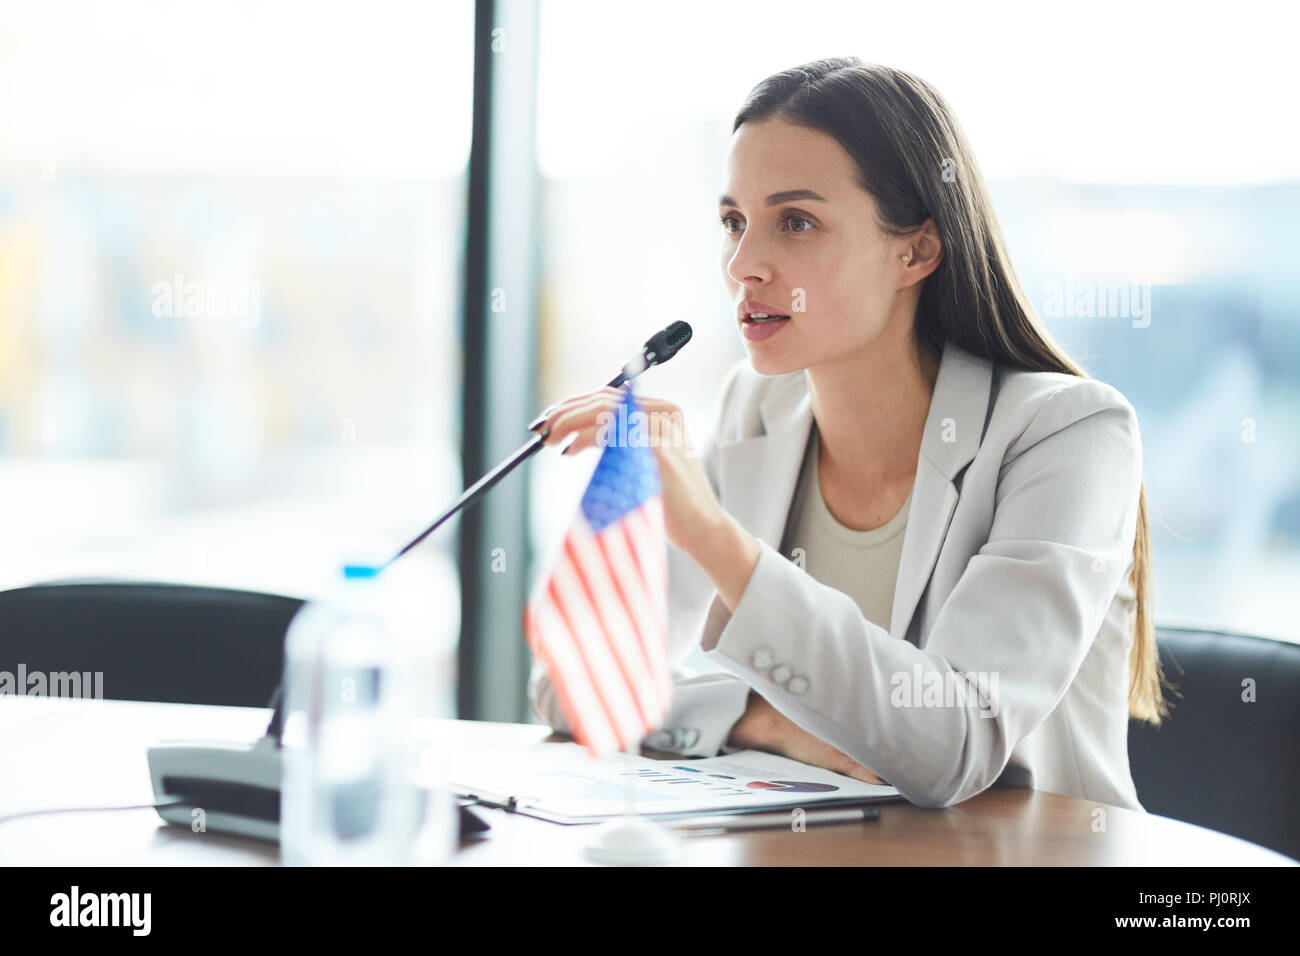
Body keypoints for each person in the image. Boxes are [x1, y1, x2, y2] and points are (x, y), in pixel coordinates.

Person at [528, 57, 1166, 811]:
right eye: (735, 222)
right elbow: (574, 684)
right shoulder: (757, 409)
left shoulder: (1067, 435)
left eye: (795, 222)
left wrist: (709, 535)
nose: (743, 266)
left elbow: (952, 749)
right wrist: (764, 722)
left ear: (916, 251)